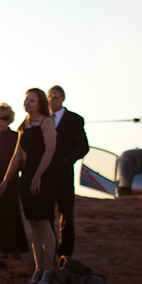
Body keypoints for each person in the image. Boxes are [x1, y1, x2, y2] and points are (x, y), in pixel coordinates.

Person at [0, 88, 57, 284]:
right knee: (33, 223)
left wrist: (38, 176)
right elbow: (17, 156)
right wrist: (6, 180)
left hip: (43, 177)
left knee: (44, 222)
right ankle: (38, 268)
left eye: (32, 100)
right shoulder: (24, 125)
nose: (27, 103)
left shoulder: (46, 122)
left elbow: (50, 150)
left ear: (40, 104)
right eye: (26, 100)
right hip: (26, 177)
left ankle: (49, 269)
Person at [0, 103, 29, 261]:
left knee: (12, 215)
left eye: (4, 118)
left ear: (10, 119)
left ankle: (16, 249)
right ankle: (2, 248)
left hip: (11, 182)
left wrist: (9, 175)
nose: (1, 121)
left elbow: (21, 160)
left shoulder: (16, 137)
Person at [48, 86, 89, 259]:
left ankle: (65, 254)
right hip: (46, 175)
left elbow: (83, 146)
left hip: (64, 175)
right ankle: (49, 251)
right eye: (49, 97)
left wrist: (67, 160)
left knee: (66, 216)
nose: (52, 100)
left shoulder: (74, 120)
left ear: (63, 98)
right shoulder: (41, 119)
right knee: (46, 217)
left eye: (55, 97)